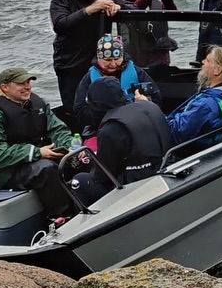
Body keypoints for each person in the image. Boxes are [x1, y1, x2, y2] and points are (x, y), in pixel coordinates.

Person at [0, 68, 76, 222]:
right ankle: (61, 217)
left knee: (78, 159)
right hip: (5, 170)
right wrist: (37, 152)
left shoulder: (37, 103)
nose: (27, 86)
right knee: (46, 170)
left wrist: (70, 146)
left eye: (28, 82)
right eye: (21, 83)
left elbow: (57, 129)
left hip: (36, 155)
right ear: (5, 87)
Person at [70, 77, 174, 205]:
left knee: (79, 181)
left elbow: (103, 177)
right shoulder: (150, 106)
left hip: (134, 187)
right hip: (165, 169)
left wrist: (92, 161)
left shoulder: (110, 129)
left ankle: (89, 221)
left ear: (96, 104)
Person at [50, 0, 133, 112]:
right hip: (70, 62)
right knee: (74, 107)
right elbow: (60, 25)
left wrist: (117, 7)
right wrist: (89, 10)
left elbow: (133, 9)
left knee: (103, 104)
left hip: (101, 61)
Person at [71, 34, 162, 136]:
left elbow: (156, 99)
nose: (113, 64)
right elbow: (79, 110)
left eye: (117, 59)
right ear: (99, 58)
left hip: (137, 124)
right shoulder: (89, 78)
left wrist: (145, 103)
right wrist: (104, 113)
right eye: (108, 60)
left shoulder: (137, 72)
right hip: (103, 128)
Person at [167, 46, 222, 146]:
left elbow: (174, 134)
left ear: (217, 70)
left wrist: (152, 110)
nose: (202, 62)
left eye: (207, 60)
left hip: (186, 154)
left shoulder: (206, 105)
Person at [122, 0, 178, 67]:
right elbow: (135, 9)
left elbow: (174, 14)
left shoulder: (157, 4)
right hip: (135, 54)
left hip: (159, 54)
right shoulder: (124, 5)